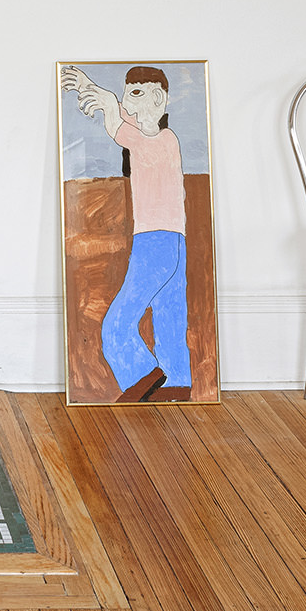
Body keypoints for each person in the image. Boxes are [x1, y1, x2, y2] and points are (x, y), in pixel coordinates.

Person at [60, 63, 191, 399]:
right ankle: (176, 386)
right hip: (174, 239)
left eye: (136, 94)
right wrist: (94, 90)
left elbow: (123, 130)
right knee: (169, 320)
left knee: (117, 325)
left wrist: (106, 103)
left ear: (159, 99)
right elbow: (127, 122)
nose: (128, 103)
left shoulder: (162, 141)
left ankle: (143, 378)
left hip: (155, 241)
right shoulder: (159, 137)